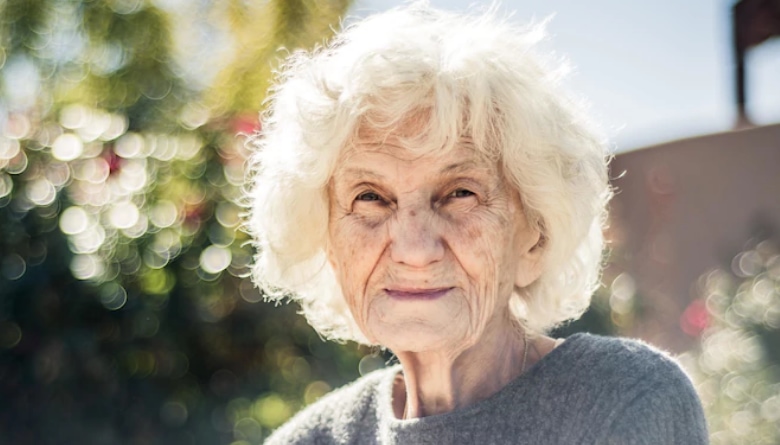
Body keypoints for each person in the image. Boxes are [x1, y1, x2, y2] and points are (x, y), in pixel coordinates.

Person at [245, 3, 709, 444]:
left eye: (459, 193)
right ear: (329, 243)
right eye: (370, 198)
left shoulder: (623, 401)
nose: (414, 247)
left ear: (534, 239)